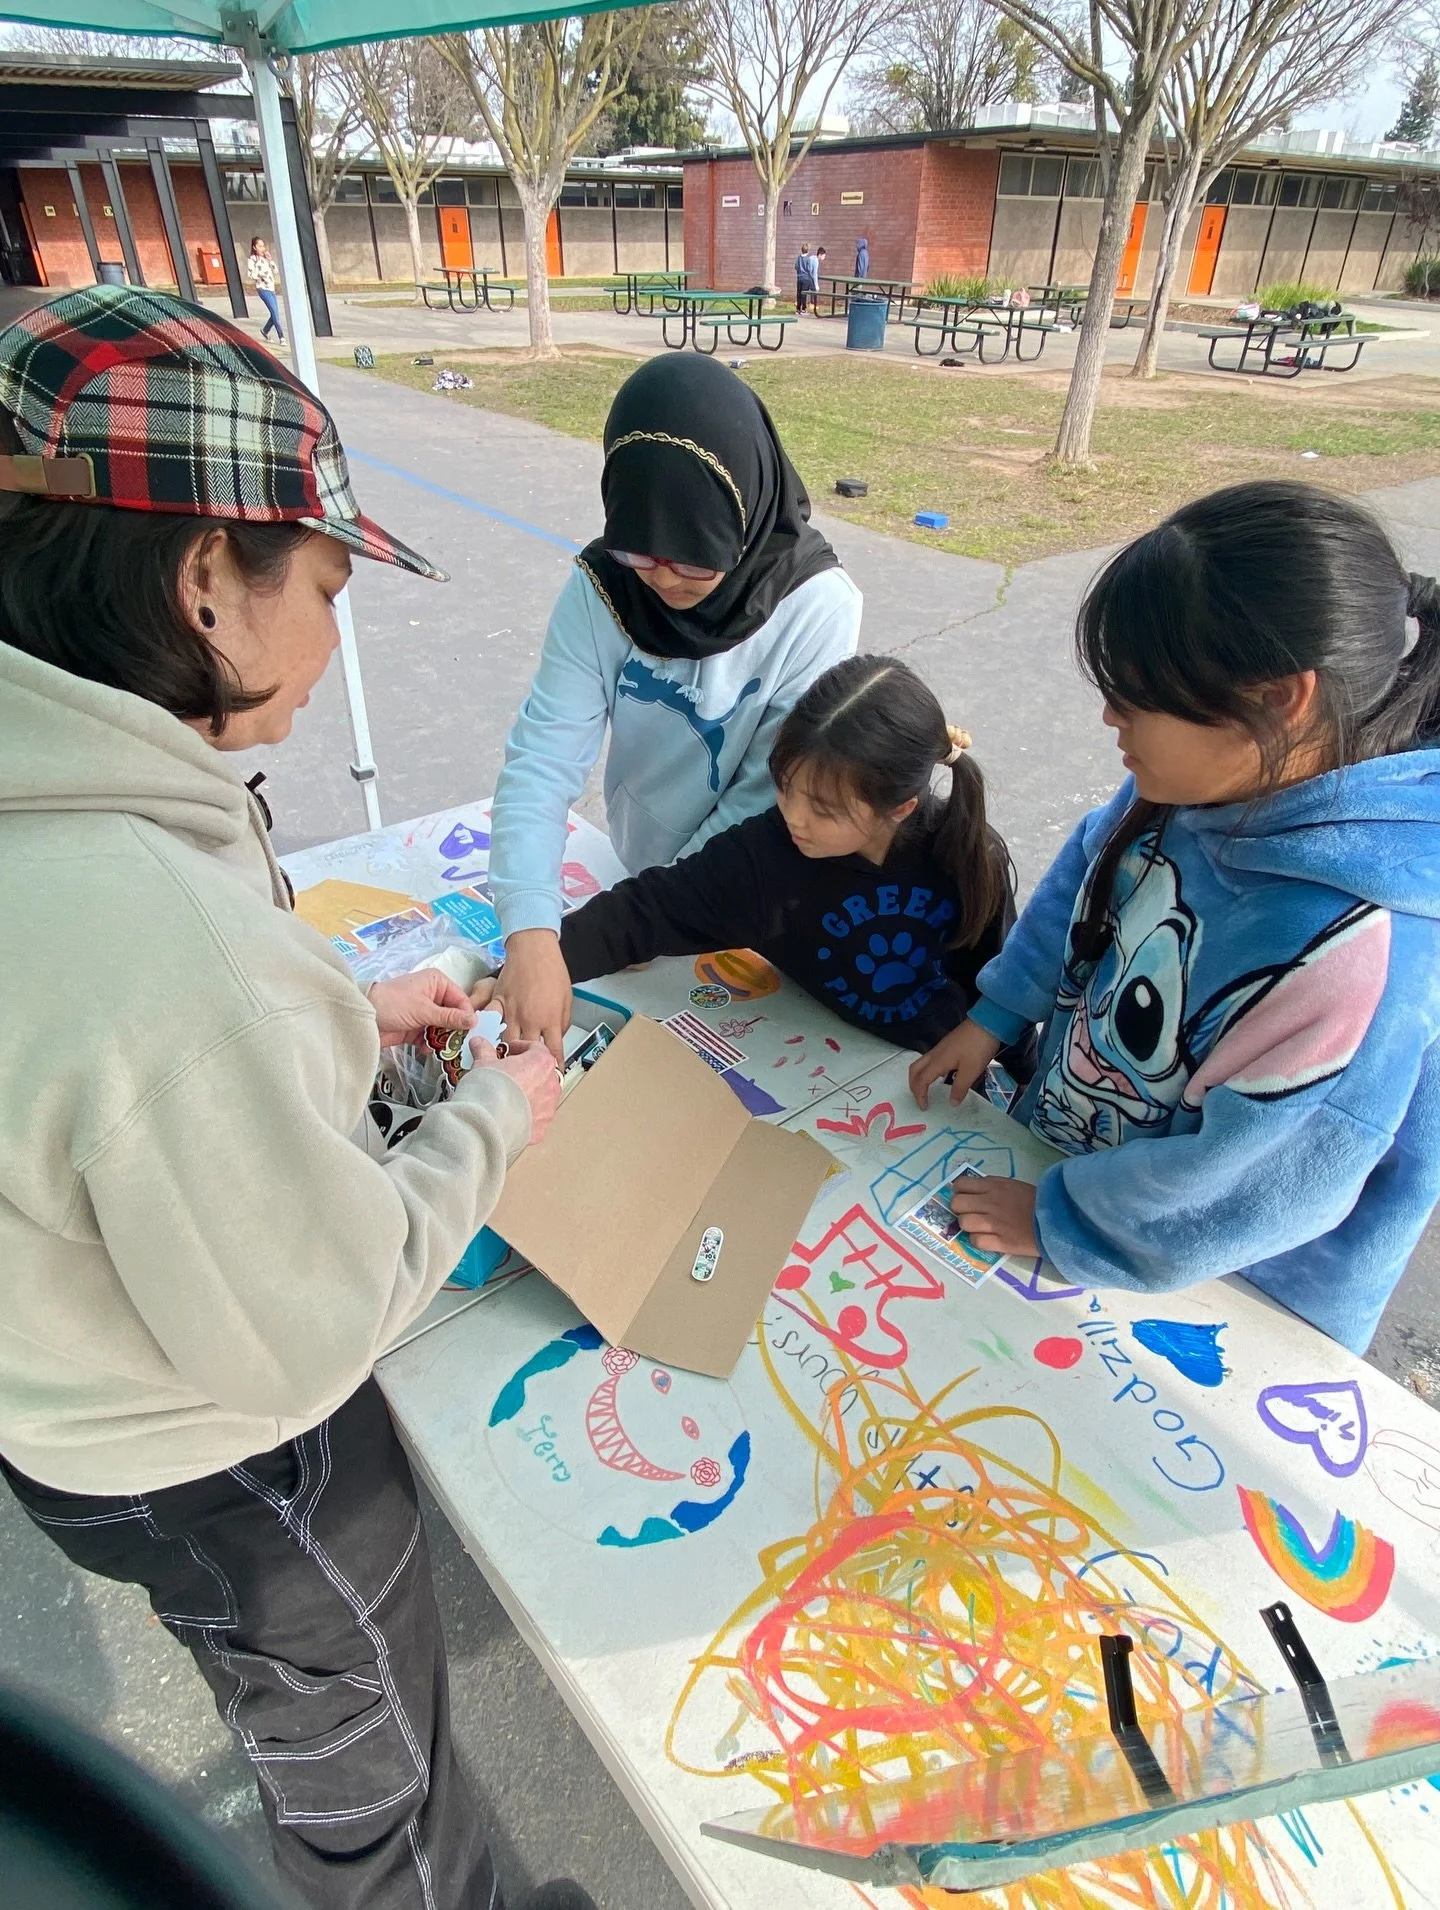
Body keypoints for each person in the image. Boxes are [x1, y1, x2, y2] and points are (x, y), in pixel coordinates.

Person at [0, 285, 569, 1910]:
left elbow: (112, 1070)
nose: (335, 635)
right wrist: (499, 1118)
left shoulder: (63, 789)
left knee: (317, 1733)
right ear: (204, 583)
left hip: (77, 1423)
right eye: (323, 584)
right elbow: (319, 1315)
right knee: (365, 1789)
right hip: (242, 1474)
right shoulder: (139, 928)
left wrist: (332, 1011)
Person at [910, 480, 1440, 1355]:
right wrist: (999, 1013)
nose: (1110, 716)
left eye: (1138, 695)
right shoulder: (1202, 772)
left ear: (1278, 701)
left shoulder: (1361, 947)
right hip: (1093, 1177)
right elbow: (1089, 872)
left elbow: (1240, 1188)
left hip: (1223, 1299)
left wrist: (1060, 1223)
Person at [488, 352, 862, 1057]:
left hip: (745, 900)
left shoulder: (814, 607)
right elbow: (543, 757)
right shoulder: (602, 588)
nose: (662, 580)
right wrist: (532, 928)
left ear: (743, 519)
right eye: (640, 553)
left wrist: (641, 921)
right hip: (642, 885)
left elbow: (765, 803)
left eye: (692, 560)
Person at [557, 655, 1028, 1061]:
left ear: (899, 808)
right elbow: (648, 909)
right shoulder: (767, 856)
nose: (795, 818)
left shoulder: (966, 855)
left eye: (823, 809)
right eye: (785, 788)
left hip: (924, 1074)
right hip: (814, 1056)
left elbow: (1005, 992)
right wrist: (539, 963)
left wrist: (1010, 1069)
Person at [246, 235, 284, 342]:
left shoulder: (265, 259)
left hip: (271, 288)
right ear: (254, 247)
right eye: (260, 246)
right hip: (263, 289)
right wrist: (261, 273)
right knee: (274, 313)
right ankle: (281, 336)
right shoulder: (252, 260)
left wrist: (270, 260)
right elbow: (251, 274)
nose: (262, 248)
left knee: (274, 313)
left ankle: (265, 331)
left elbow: (275, 271)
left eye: (263, 246)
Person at [795, 241, 814, 312]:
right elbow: (809, 269)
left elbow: (796, 267)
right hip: (806, 278)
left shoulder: (798, 258)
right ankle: (804, 308)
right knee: (804, 294)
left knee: (799, 293)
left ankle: (798, 308)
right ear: (808, 251)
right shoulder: (808, 259)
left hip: (799, 277)